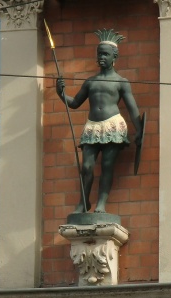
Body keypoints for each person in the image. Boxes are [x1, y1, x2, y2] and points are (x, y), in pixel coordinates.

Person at [56, 29, 142, 214]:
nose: (101, 57)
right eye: (99, 54)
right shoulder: (90, 82)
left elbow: (133, 108)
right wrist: (61, 93)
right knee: (87, 166)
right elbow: (75, 103)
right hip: (92, 126)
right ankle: (84, 201)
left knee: (107, 165)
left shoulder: (121, 82)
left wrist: (139, 130)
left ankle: (101, 203)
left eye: (105, 54)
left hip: (113, 125)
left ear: (114, 56)